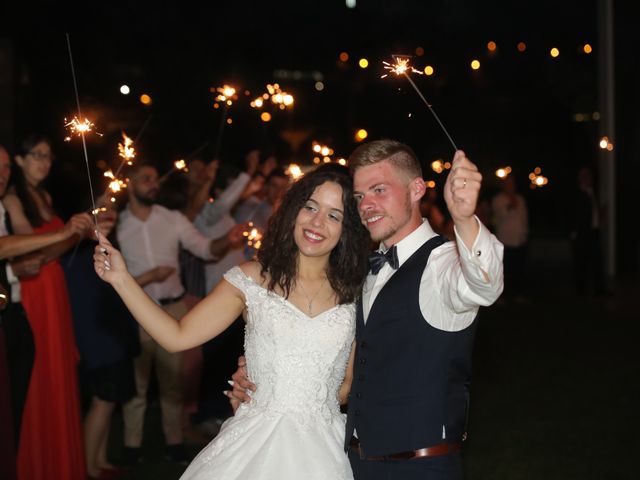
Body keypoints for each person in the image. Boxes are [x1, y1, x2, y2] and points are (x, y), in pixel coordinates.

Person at [231, 140, 504, 480]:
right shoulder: (360, 272)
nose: (367, 205)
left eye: (379, 190)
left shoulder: (443, 264)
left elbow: (486, 285)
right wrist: (268, 381)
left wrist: (464, 220)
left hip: (418, 468)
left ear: (417, 188)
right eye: (359, 197)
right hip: (349, 462)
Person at [94, 164, 370, 479]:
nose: (317, 222)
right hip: (254, 442)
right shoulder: (253, 279)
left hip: (325, 452)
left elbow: (345, 387)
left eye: (334, 215)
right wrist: (121, 279)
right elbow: (176, 336)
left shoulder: (356, 294)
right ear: (294, 210)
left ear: (347, 228)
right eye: (311, 207)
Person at [115, 161, 247, 466]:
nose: (154, 183)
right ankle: (132, 449)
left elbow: (205, 249)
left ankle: (173, 444)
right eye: (145, 178)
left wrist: (227, 241)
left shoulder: (172, 218)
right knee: (137, 383)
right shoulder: (119, 223)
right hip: (136, 311)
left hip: (174, 310)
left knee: (173, 383)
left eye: (154, 178)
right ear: (129, 183)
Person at [3, 135, 93, 480]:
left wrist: (81, 230)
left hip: (54, 291)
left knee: (60, 373)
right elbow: (35, 256)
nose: (45, 162)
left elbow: (55, 249)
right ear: (21, 161)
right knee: (38, 377)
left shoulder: (45, 197)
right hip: (33, 293)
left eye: (48, 156)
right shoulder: (12, 200)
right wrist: (73, 233)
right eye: (37, 155)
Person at [490, 174, 529, 304]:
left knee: (519, 269)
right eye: (508, 184)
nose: (511, 186)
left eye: (512, 184)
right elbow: (499, 214)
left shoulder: (520, 199)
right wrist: (510, 205)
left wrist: (524, 234)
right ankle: (502, 296)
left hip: (519, 240)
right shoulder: (498, 200)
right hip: (505, 241)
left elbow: (523, 218)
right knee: (505, 271)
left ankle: (519, 294)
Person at [568, 165, 607, 295]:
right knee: (581, 262)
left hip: (594, 231)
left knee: (597, 260)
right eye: (585, 176)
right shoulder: (578, 194)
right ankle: (581, 290)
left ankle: (599, 288)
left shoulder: (592, 193)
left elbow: (593, 211)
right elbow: (575, 214)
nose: (588, 179)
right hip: (582, 233)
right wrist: (574, 233)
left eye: (589, 176)